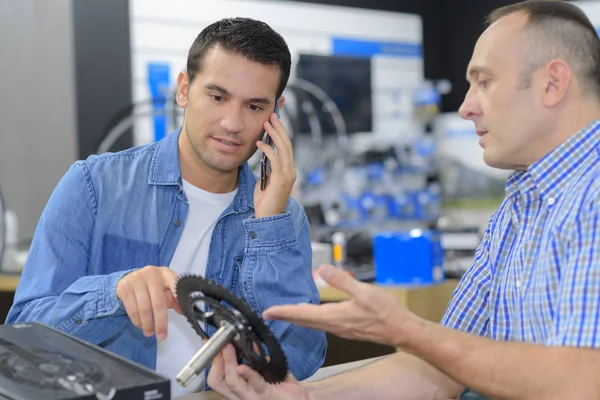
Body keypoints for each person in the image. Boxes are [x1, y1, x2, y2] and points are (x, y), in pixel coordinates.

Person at [207, 1, 600, 399]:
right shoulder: (519, 207)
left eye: (484, 81)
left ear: (552, 83)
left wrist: (408, 330)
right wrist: (305, 397)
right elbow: (443, 368)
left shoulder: (592, 200)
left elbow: (582, 383)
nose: (466, 107)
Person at [6, 17, 326, 396]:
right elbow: (23, 336)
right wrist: (114, 292)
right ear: (184, 89)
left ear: (276, 112)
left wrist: (270, 224)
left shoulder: (282, 218)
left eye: (255, 106)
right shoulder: (94, 185)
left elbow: (300, 360)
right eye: (217, 96)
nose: (232, 123)